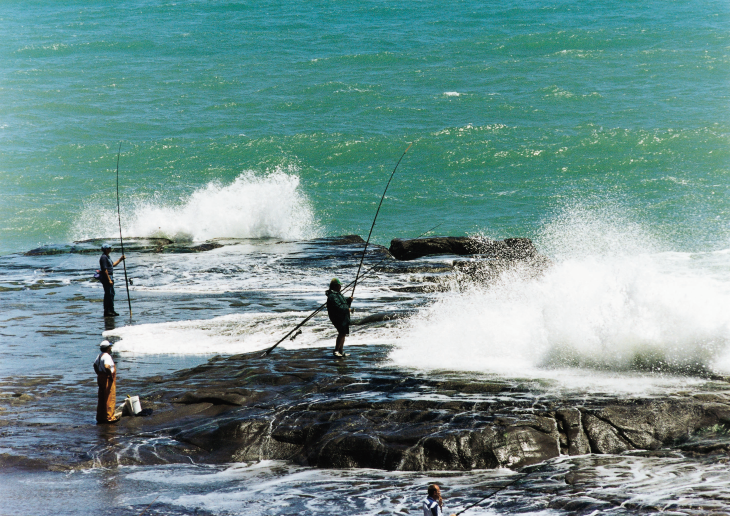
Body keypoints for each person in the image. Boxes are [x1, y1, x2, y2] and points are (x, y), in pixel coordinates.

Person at [325, 278, 353, 357]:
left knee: (343, 333)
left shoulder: (337, 294)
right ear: (334, 286)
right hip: (337, 317)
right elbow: (338, 306)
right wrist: (347, 309)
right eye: (339, 285)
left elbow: (342, 302)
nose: (340, 287)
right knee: (341, 333)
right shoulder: (332, 296)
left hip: (342, 316)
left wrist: (348, 300)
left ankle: (341, 351)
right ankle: (336, 350)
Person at [94, 340, 119, 424]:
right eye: (110, 346)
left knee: (102, 398)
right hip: (107, 377)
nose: (111, 348)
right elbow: (107, 366)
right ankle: (109, 417)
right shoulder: (107, 356)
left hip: (101, 377)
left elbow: (94, 365)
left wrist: (98, 373)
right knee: (109, 397)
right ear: (108, 348)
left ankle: (100, 417)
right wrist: (110, 376)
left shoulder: (100, 355)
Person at [99, 243, 125, 317]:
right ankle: (107, 311)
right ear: (106, 249)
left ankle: (111, 310)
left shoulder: (108, 257)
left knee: (112, 294)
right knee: (108, 294)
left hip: (110, 276)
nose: (110, 249)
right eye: (109, 248)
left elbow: (112, 265)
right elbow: (104, 270)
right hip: (107, 277)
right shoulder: (103, 257)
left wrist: (120, 259)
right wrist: (109, 279)